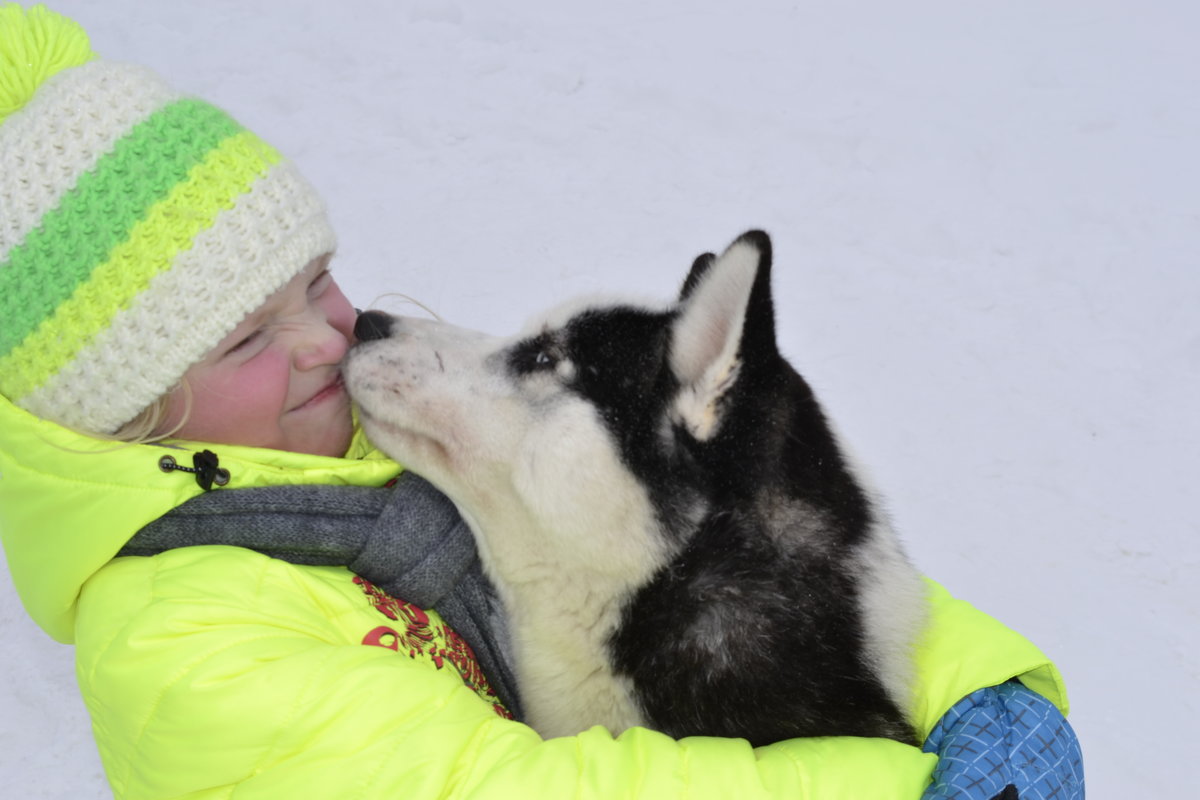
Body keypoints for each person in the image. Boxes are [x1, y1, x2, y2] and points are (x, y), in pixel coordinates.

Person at [0, 5, 1083, 799]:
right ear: (127, 412)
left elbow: (721, 551)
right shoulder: (180, 644)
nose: (332, 333)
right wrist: (904, 786)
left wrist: (977, 689)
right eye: (246, 334)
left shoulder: (347, 424)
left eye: (315, 277)